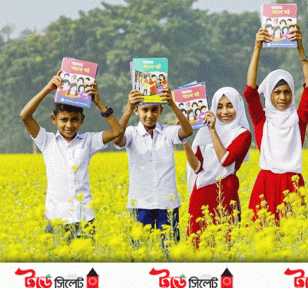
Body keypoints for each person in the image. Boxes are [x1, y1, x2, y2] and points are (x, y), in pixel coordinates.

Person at [19, 71, 122, 237]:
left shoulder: (88, 141)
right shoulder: (47, 141)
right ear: (54, 119)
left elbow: (117, 131)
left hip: (84, 218)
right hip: (56, 217)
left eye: (74, 119)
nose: (69, 124)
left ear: (82, 120)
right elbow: (25, 116)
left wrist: (99, 103)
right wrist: (48, 88)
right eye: (64, 119)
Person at [245, 24, 308, 221]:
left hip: (293, 183)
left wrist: (300, 48)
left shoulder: (299, 119)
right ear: (269, 95)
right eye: (276, 92)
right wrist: (257, 48)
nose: (282, 97)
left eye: (287, 92)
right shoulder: (262, 119)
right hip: (265, 184)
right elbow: (250, 92)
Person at [113, 85, 193, 241]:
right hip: (140, 204)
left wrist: (172, 105)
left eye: (154, 110)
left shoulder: (168, 132)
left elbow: (187, 132)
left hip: (167, 203)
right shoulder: (131, 133)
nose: (150, 115)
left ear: (161, 111)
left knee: (170, 252)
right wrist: (128, 108)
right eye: (145, 110)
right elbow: (117, 139)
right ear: (137, 111)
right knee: (141, 252)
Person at [184, 87, 251, 243]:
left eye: (230, 105)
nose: (225, 111)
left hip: (225, 193)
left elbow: (226, 160)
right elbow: (197, 168)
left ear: (238, 107)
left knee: (225, 244)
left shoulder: (243, 134)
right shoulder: (204, 132)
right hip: (200, 193)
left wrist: (212, 129)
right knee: (197, 246)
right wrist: (185, 140)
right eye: (219, 107)